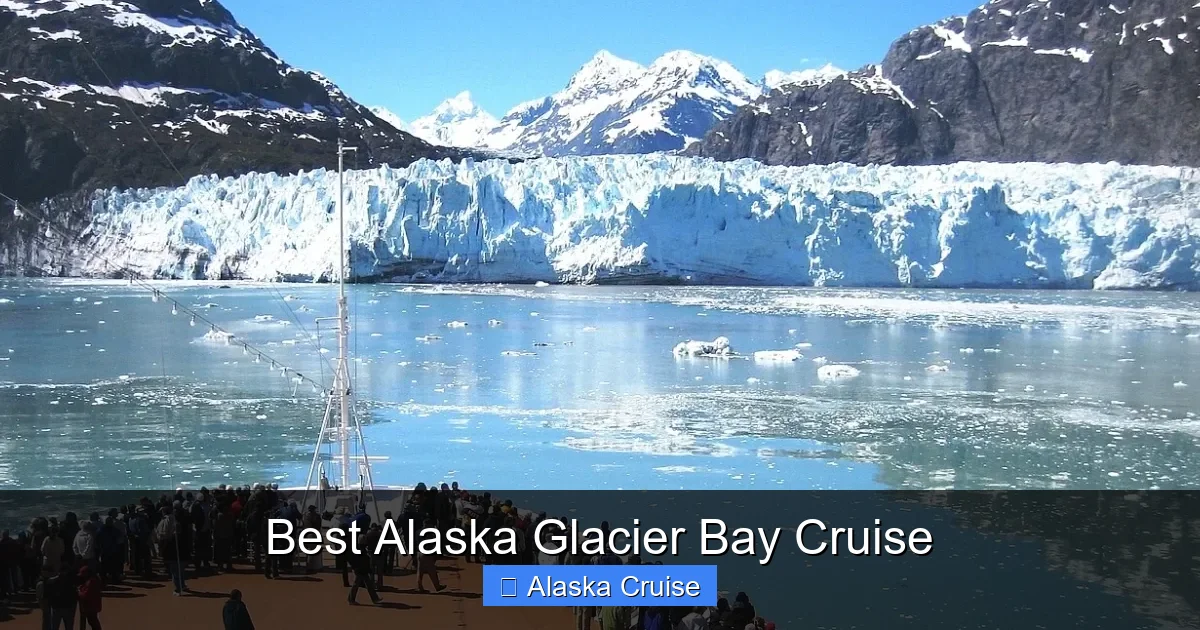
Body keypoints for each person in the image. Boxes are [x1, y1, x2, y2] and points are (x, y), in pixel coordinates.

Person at [346, 531, 381, 605]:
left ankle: (375, 599)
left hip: (361, 570)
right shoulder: (361, 550)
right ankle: (351, 599)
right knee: (359, 585)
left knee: (365, 585)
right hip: (360, 570)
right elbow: (363, 561)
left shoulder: (359, 549)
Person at [45, 564, 77, 630]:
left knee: (54, 627)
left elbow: (47, 595)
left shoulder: (51, 581)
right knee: (69, 627)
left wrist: (50, 605)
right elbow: (74, 597)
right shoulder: (71, 582)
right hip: (67, 608)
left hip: (56, 608)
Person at [76, 565, 103, 630]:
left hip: (91, 607)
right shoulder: (93, 580)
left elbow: (85, 595)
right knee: (93, 622)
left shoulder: (91, 582)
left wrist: (79, 592)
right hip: (93, 606)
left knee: (93, 622)